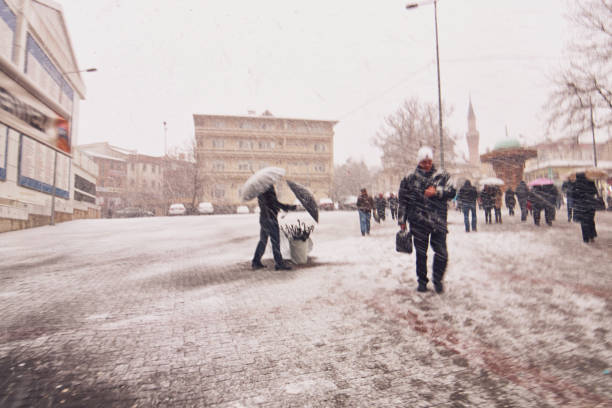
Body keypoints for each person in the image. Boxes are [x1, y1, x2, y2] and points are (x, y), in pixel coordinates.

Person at [398, 146, 456, 294]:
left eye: (429, 161)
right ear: (419, 162)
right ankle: (422, 281)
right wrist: (402, 220)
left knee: (442, 253)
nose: (427, 164)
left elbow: (453, 191)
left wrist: (437, 192)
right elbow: (403, 200)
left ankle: (438, 280)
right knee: (421, 254)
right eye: (424, 162)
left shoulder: (442, 176)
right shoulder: (409, 178)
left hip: (438, 220)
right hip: (418, 220)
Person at [252, 185, 297, 270]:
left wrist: (279, 207)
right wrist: (288, 207)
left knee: (263, 241)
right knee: (275, 241)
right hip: (270, 218)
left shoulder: (260, 188)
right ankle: (279, 264)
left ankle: (256, 261)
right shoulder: (268, 187)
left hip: (264, 217)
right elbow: (273, 203)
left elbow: (269, 203)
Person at [572, 172, 598, 243]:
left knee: (583, 222)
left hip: (581, 206)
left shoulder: (575, 184)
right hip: (590, 204)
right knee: (590, 220)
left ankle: (585, 238)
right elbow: (595, 191)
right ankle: (592, 236)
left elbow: (573, 195)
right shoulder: (590, 182)